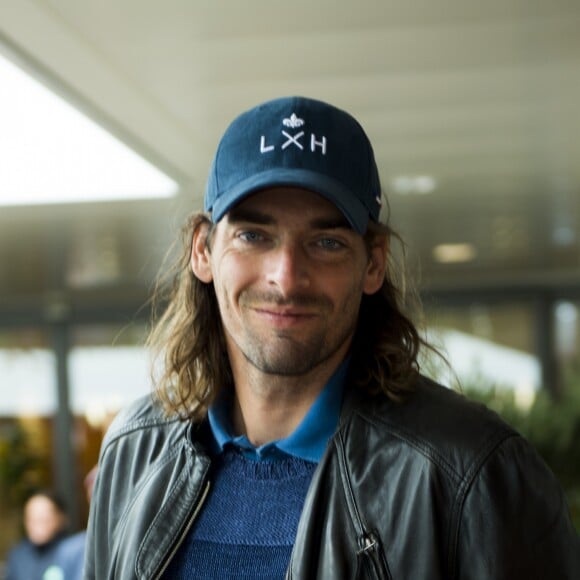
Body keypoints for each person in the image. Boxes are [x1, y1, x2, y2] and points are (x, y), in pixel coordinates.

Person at [85, 96, 580, 579]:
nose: (286, 277)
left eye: (326, 243)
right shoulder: (135, 451)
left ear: (374, 263)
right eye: (253, 236)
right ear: (203, 251)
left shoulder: (469, 475)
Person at [5, 490, 69, 580]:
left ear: (59, 518)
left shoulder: (70, 552)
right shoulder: (18, 554)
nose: (38, 525)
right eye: (32, 519)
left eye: (44, 518)